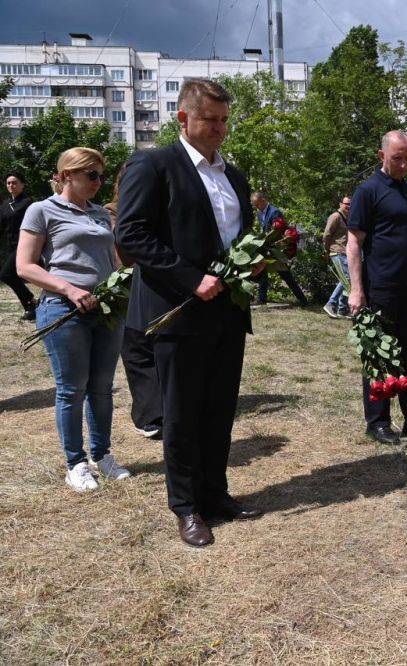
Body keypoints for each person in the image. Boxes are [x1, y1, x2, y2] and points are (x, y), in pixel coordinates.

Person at [116, 78, 262, 548]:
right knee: (181, 415)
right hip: (176, 311)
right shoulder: (154, 165)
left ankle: (215, 494)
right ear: (184, 118)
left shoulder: (233, 176)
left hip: (226, 311)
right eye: (210, 120)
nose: (220, 129)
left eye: (224, 120)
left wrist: (258, 257)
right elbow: (132, 234)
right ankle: (186, 507)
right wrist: (190, 277)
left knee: (219, 408)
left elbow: (241, 236)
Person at [15, 148, 131, 492]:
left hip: (106, 310)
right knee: (71, 389)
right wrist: (69, 289)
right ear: (66, 175)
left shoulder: (99, 214)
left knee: (102, 387)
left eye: (101, 176)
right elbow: (25, 266)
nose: (99, 182)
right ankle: (75, 463)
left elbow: (112, 261)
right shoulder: (41, 210)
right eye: (91, 175)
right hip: (64, 311)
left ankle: (103, 455)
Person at [347, 130, 407, 445]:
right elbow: (353, 244)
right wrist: (356, 289)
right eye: (397, 158)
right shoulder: (368, 192)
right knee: (379, 356)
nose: (403, 164)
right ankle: (377, 422)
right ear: (382, 156)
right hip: (380, 289)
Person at [105, 167, 162, 440]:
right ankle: (149, 414)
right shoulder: (113, 210)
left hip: (154, 281)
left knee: (151, 346)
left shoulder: (159, 208)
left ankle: (159, 409)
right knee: (135, 349)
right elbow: (124, 249)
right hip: (124, 285)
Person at [251, 191, 308, 306]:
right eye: (254, 205)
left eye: (257, 204)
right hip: (267, 248)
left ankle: (303, 301)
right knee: (262, 271)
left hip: (277, 249)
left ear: (263, 200)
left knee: (285, 275)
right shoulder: (260, 213)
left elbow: (278, 231)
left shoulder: (274, 212)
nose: (256, 207)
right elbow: (265, 231)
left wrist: (273, 245)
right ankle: (262, 299)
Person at [1, 172, 38, 320]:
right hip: (11, 247)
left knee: (6, 274)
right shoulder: (5, 206)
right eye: (9, 183)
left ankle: (31, 302)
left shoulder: (29, 203)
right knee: (11, 275)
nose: (11, 185)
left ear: (23, 185)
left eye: (14, 182)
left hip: (25, 245)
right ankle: (31, 307)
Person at [322, 196, 351, 318]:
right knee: (348, 279)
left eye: (350, 205)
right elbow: (327, 235)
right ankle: (330, 303)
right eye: (346, 204)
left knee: (345, 280)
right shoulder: (336, 216)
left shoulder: (347, 218)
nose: (349, 207)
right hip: (337, 252)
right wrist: (326, 251)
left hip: (345, 252)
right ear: (340, 204)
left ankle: (342, 309)